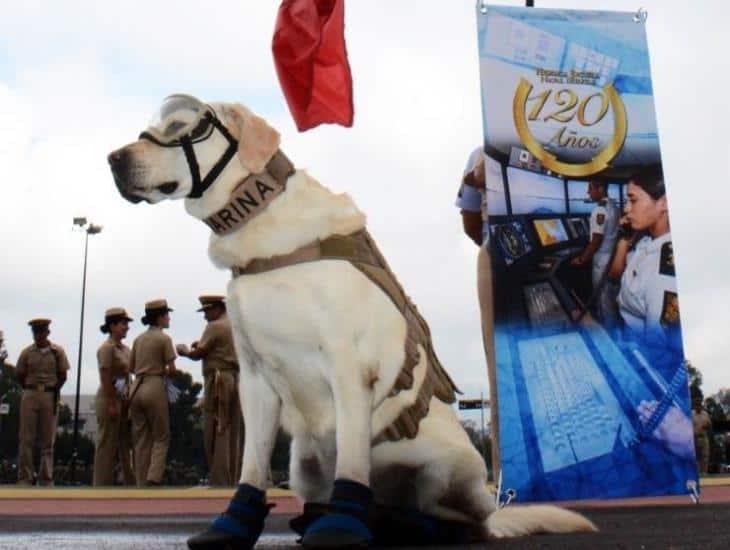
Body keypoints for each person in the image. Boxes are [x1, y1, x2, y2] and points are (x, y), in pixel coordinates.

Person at [455, 145, 499, 472]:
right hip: (495, 251)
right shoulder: (481, 153)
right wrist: (474, 179)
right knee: (499, 366)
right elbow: (470, 222)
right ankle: (505, 470)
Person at [608, 168, 681, 350]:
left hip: (639, 351)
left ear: (663, 203)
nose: (626, 209)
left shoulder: (664, 276)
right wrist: (624, 240)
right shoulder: (648, 242)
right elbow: (616, 275)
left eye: (633, 200)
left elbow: (659, 352)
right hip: (627, 333)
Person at [177, 295, 243, 486]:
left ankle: (219, 477)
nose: (205, 316)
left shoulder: (215, 326)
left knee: (216, 429)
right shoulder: (234, 325)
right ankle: (232, 475)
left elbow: (198, 354)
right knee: (232, 430)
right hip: (234, 377)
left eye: (207, 311)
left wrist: (184, 351)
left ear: (217, 308)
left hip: (218, 380)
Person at [15, 318, 70, 485]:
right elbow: (19, 374)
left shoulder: (57, 352)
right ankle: (25, 476)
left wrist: (53, 389)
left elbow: (63, 375)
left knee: (48, 440)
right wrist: (29, 387)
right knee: (26, 438)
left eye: (41, 332)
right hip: (30, 393)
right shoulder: (26, 353)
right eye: (35, 332)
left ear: (47, 333)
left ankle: (45, 477)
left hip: (49, 394)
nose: (38, 336)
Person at [128, 299, 177, 486]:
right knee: (161, 436)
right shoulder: (164, 339)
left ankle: (140, 481)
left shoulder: (138, 339)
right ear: (160, 317)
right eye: (167, 315)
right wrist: (162, 372)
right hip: (154, 385)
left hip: (136, 387)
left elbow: (131, 368)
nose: (169, 318)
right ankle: (154, 476)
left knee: (141, 439)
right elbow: (172, 370)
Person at [93, 307, 135, 486]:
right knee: (107, 445)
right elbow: (105, 377)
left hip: (124, 398)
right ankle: (101, 484)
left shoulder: (125, 349)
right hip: (109, 397)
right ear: (112, 326)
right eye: (123, 324)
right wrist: (111, 404)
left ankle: (129, 482)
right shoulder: (106, 349)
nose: (126, 327)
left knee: (126, 445)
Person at [570, 178, 620, 325]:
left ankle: (608, 336)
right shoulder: (613, 206)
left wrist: (581, 259)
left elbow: (596, 240)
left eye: (590, 188)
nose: (588, 192)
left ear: (601, 190)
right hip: (613, 258)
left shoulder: (599, 210)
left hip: (602, 262)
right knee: (611, 299)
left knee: (603, 301)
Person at [692, 398, 712, 474]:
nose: (698, 407)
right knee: (695, 457)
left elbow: (710, 425)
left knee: (705, 456)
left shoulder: (705, 414)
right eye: (697, 405)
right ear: (694, 406)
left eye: (700, 405)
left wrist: (707, 426)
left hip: (704, 437)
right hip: (694, 437)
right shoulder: (691, 414)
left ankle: (704, 473)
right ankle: (696, 474)